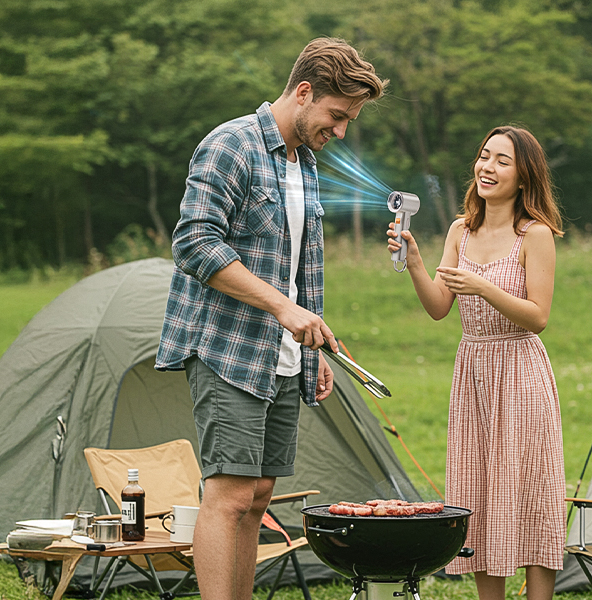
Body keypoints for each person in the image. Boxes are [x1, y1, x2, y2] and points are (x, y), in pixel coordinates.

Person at [156, 38, 386, 600]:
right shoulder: (229, 146)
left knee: (258, 495)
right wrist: (283, 308)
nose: (341, 131)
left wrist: (311, 348)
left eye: (350, 119)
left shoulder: (303, 162)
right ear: (303, 93)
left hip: (283, 355)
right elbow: (193, 243)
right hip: (227, 348)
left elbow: (297, 266)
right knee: (230, 494)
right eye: (337, 115)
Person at [386, 125, 566, 600]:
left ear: (524, 176)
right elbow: (439, 306)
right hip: (473, 370)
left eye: (502, 161)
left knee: (529, 490)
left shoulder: (536, 234)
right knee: (480, 494)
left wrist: (484, 286)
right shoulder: (460, 231)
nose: (487, 167)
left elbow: (538, 317)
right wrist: (416, 263)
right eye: (484, 157)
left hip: (520, 370)